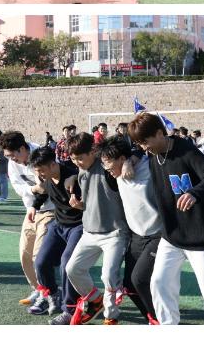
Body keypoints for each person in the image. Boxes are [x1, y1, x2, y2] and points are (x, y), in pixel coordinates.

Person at [128, 112, 204, 325]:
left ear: (160, 133)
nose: (143, 147)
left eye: (145, 142)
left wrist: (195, 193)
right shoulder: (152, 154)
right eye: (139, 143)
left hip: (201, 235)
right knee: (159, 283)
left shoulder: (186, 150)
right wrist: (130, 159)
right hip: (171, 236)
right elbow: (130, 149)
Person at [65, 133, 129, 325]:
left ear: (93, 151)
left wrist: (130, 162)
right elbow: (91, 200)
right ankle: (95, 300)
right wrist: (80, 205)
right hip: (89, 232)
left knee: (108, 275)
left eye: (80, 158)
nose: (77, 162)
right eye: (73, 159)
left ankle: (111, 316)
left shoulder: (107, 167)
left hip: (115, 233)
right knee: (73, 269)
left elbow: (129, 152)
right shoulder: (81, 170)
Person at [100, 136, 162, 324]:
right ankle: (153, 319)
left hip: (159, 234)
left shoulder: (151, 168)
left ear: (122, 159)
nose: (107, 170)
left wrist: (133, 157)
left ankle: (162, 320)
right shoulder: (115, 173)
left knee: (140, 279)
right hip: (137, 235)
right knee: (129, 284)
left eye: (109, 165)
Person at [1, 131, 57, 310]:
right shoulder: (13, 163)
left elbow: (49, 184)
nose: (11, 159)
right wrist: (33, 189)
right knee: (24, 254)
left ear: (22, 149)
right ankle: (38, 289)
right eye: (8, 156)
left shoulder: (41, 154)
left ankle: (48, 295)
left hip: (50, 210)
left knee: (38, 256)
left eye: (12, 155)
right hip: (31, 211)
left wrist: (39, 191)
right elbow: (18, 187)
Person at [29, 146, 83, 323]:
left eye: (41, 170)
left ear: (53, 164)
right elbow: (44, 190)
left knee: (67, 264)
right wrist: (34, 206)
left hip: (78, 226)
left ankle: (70, 310)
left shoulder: (72, 176)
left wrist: (76, 179)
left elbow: (87, 176)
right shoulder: (46, 178)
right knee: (41, 262)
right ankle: (53, 294)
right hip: (58, 225)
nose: (39, 175)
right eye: (37, 171)